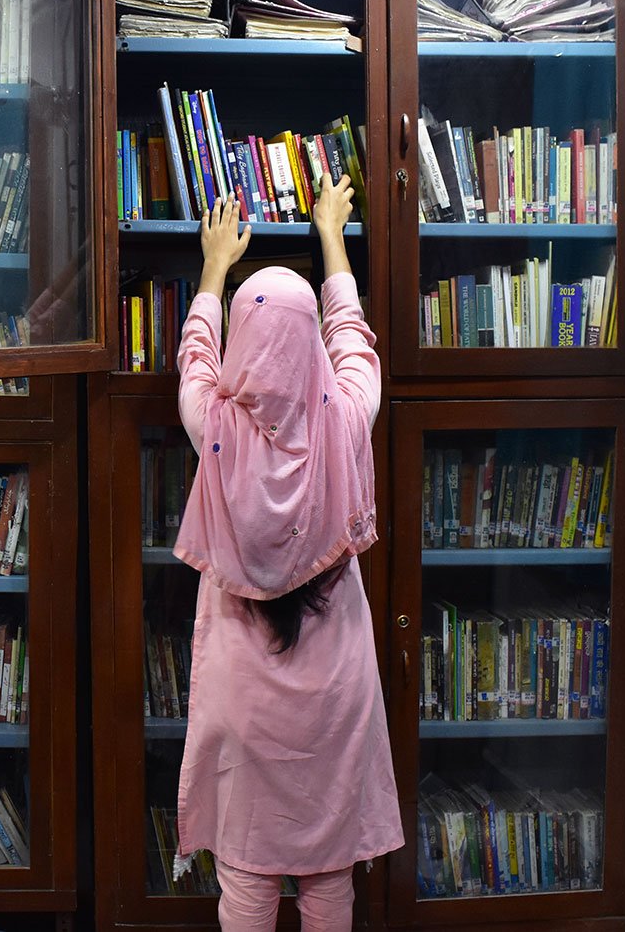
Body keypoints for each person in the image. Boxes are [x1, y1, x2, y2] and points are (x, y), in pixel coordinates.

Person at [172, 176, 404, 932]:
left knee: (245, 878)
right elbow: (351, 337)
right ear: (306, 348)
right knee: (330, 879)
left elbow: (195, 357)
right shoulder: (346, 421)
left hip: (246, 709)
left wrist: (214, 268)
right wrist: (332, 233)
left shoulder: (212, 426)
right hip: (335, 703)